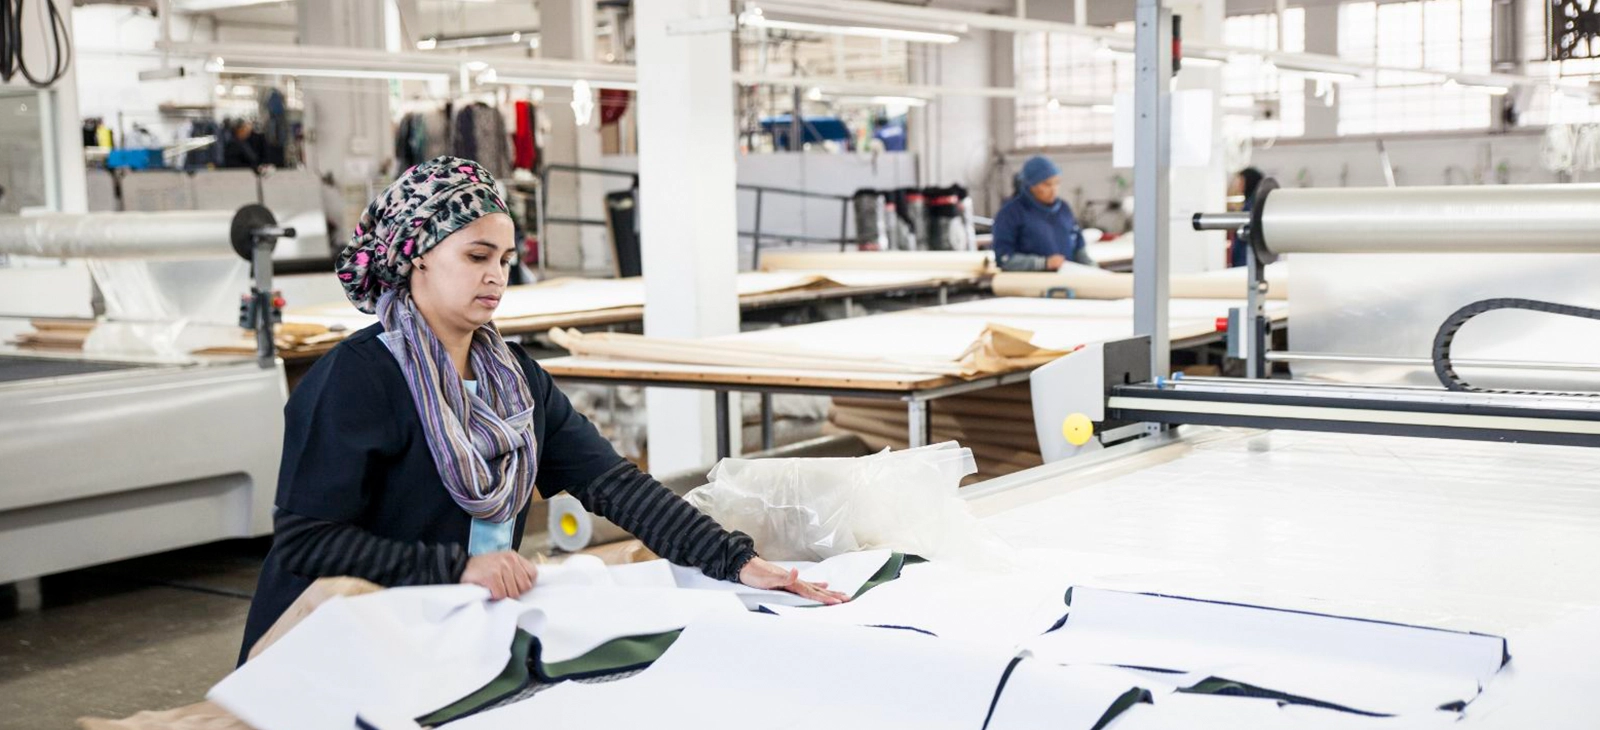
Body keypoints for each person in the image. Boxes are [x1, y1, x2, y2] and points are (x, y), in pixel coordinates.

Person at [238, 156, 847, 664]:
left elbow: (611, 483)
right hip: (331, 647)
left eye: (504, 260)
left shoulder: (511, 377)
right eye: (476, 256)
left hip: (448, 630)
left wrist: (734, 559)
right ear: (417, 254)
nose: (496, 277)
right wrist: (459, 567)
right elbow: (307, 543)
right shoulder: (358, 380)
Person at [991, 155, 1093, 272]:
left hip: (1067, 276)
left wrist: (1091, 267)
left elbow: (1078, 245)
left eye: (1057, 183)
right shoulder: (1010, 213)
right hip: (1032, 283)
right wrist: (1043, 263)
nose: (1053, 189)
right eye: (1047, 184)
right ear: (1031, 185)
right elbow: (1004, 258)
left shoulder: (1063, 209)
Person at [1228, 167, 1264, 268]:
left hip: (1247, 257)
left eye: (1241, 181)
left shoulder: (1252, 205)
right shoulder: (1253, 201)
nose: (1238, 185)